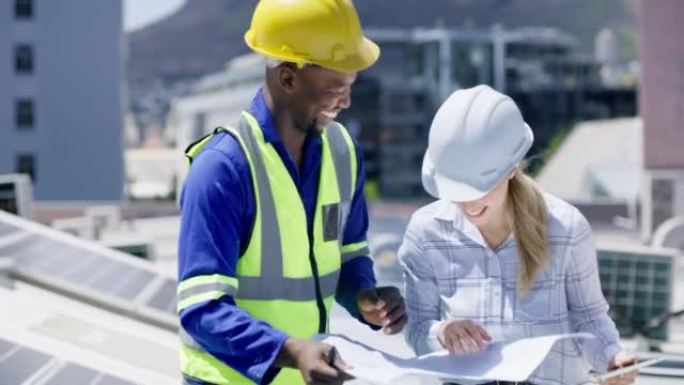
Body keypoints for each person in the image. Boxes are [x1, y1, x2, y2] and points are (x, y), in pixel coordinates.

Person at [176, 1, 407, 384]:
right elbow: (202, 308)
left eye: (351, 88)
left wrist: (365, 298)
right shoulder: (222, 170)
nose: (346, 102)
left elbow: (350, 255)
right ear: (288, 79)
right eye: (337, 88)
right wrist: (292, 350)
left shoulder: (343, 152)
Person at [398, 85, 637, 385]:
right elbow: (417, 328)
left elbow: (588, 317)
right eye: (456, 190)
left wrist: (612, 358)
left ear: (512, 168)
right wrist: (442, 333)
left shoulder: (565, 228)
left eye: (480, 188)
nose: (469, 203)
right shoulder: (426, 231)